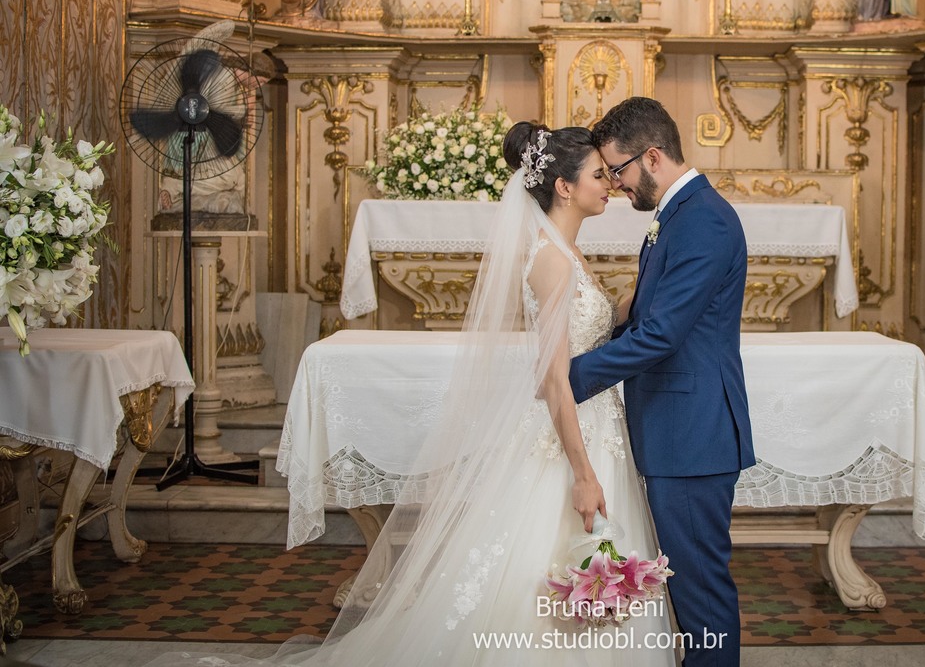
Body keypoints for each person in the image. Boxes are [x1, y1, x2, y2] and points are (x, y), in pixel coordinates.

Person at [142, 123, 674, 665]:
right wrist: (583, 476)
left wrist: (656, 281)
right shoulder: (553, 260)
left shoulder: (564, 251)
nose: (608, 183)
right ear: (563, 186)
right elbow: (551, 378)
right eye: (597, 175)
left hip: (596, 426)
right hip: (571, 440)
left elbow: (598, 323)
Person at [569, 97, 755, 666]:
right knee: (687, 586)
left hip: (693, 436)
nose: (617, 185)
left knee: (700, 591)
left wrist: (566, 378)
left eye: (618, 170)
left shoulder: (702, 219)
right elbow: (652, 316)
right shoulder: (678, 214)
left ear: (652, 157)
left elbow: (662, 337)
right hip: (678, 429)